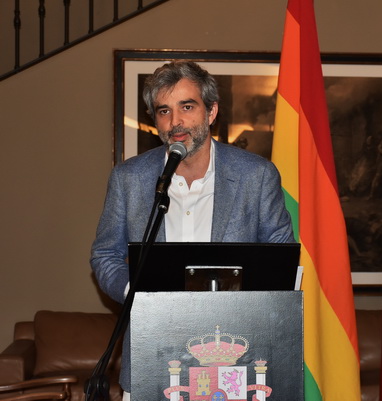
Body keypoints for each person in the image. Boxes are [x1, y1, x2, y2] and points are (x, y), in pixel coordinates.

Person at [90, 61, 295, 399]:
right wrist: (135, 293)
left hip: (236, 358)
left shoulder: (256, 176)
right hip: (151, 354)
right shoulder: (129, 178)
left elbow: (280, 261)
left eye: (187, 107)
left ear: (211, 111)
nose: (175, 122)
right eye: (164, 111)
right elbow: (105, 254)